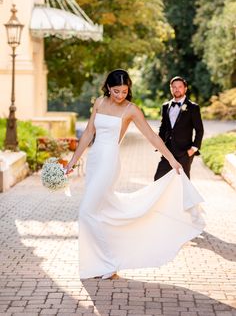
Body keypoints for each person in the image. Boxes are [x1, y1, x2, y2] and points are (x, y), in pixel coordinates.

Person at [66, 69, 205, 280]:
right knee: (100, 212)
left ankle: (108, 263)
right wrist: (72, 163)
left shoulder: (132, 110)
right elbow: (88, 134)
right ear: (108, 88)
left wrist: (171, 159)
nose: (120, 95)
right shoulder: (99, 103)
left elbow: (151, 135)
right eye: (115, 91)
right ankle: (98, 263)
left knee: (86, 211)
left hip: (109, 162)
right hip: (95, 160)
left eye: (124, 91)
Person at [154, 76, 204, 180]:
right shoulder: (165, 106)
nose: (177, 89)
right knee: (158, 179)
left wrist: (193, 149)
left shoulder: (193, 107)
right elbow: (163, 128)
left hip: (184, 152)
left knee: (183, 182)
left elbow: (199, 130)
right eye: (174, 87)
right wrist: (159, 145)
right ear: (171, 88)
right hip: (167, 151)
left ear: (185, 88)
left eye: (180, 87)